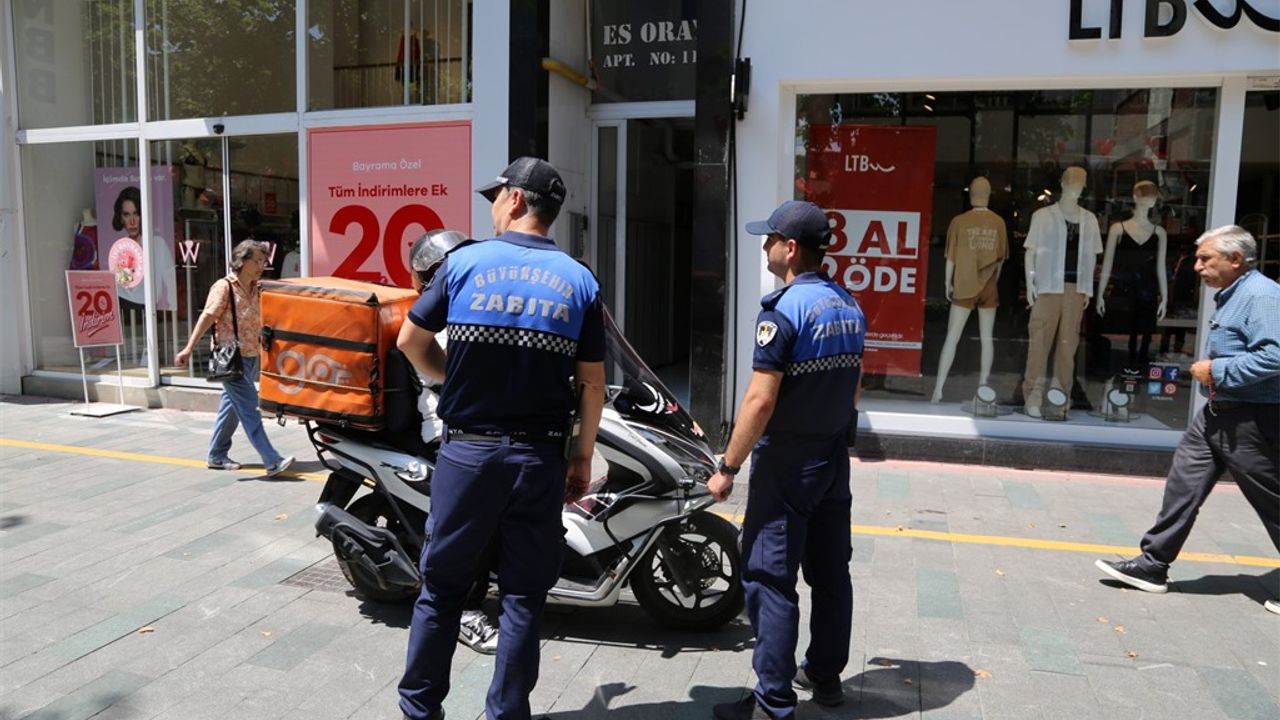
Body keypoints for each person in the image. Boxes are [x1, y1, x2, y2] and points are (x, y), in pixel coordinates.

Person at [395, 157, 606, 720]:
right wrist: (581, 457)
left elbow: (410, 341)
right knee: (522, 597)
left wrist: (452, 378)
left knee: (442, 590)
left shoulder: (464, 264)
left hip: (468, 453)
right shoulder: (580, 280)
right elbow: (592, 383)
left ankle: (420, 712)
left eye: (496, 196)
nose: (492, 207)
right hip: (538, 458)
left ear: (515, 200)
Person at [709, 200, 866, 720]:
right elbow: (855, 386)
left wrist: (728, 467)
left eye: (770, 238)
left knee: (769, 577)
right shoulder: (848, 304)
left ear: (791, 248)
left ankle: (772, 703)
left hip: (788, 465)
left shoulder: (783, 311)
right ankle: (824, 674)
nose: (764, 246)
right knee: (830, 570)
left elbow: (760, 400)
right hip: (832, 459)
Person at [1095, 225, 1279, 615]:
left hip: (1250, 419)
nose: (1196, 266)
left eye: (1205, 258)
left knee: (1271, 500)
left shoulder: (1261, 295)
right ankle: (1152, 565)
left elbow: (1275, 356)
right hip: (1217, 414)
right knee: (1183, 486)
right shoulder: (1234, 293)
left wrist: (1217, 370)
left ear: (1235, 259)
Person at [406, 228, 501, 656]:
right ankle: (465, 609)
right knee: (475, 522)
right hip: (448, 431)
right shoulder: (436, 323)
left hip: (478, 425)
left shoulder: (465, 309)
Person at [175, 239, 295, 477]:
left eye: (264, 261)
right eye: (257, 261)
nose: (261, 266)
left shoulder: (256, 288)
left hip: (250, 356)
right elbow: (207, 317)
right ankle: (272, 460)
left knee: (230, 409)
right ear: (242, 261)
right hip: (229, 358)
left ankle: (216, 455)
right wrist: (188, 348)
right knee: (250, 408)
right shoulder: (224, 287)